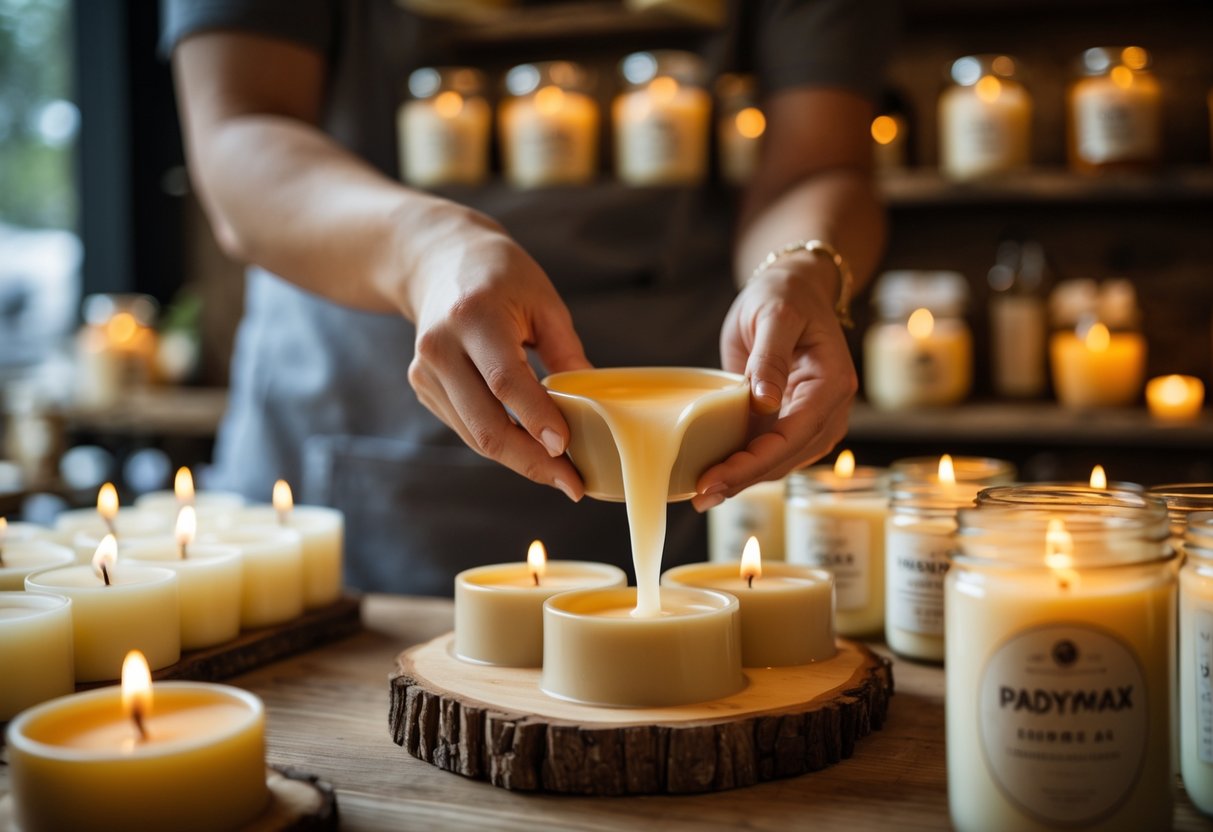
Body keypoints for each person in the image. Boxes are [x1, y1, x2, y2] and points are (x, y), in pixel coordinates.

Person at [162, 0, 895, 595]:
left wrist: (800, 267)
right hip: (356, 405)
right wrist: (425, 249)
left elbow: (819, 165)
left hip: (692, 441)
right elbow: (239, 134)